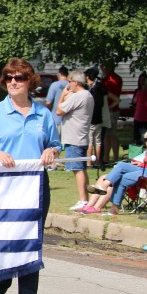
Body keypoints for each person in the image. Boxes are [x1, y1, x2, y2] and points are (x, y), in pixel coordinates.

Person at [0, 58, 59, 294]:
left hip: (35, 185)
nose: (13, 82)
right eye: (9, 77)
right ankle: (1, 285)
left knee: (31, 241)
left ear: (29, 81)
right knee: (7, 240)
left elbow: (55, 144)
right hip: (3, 186)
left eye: (19, 77)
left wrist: (51, 150)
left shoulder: (43, 114)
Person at [56, 70, 93, 211]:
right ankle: (86, 200)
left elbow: (59, 111)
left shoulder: (78, 96)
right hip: (81, 137)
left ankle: (83, 200)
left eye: (70, 81)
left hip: (74, 138)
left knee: (77, 169)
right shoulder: (88, 95)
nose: (68, 84)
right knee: (81, 169)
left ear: (76, 82)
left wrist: (62, 95)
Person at [44, 66, 69, 131]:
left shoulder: (55, 85)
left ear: (59, 74)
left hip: (56, 118)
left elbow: (48, 102)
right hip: (68, 120)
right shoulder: (70, 85)